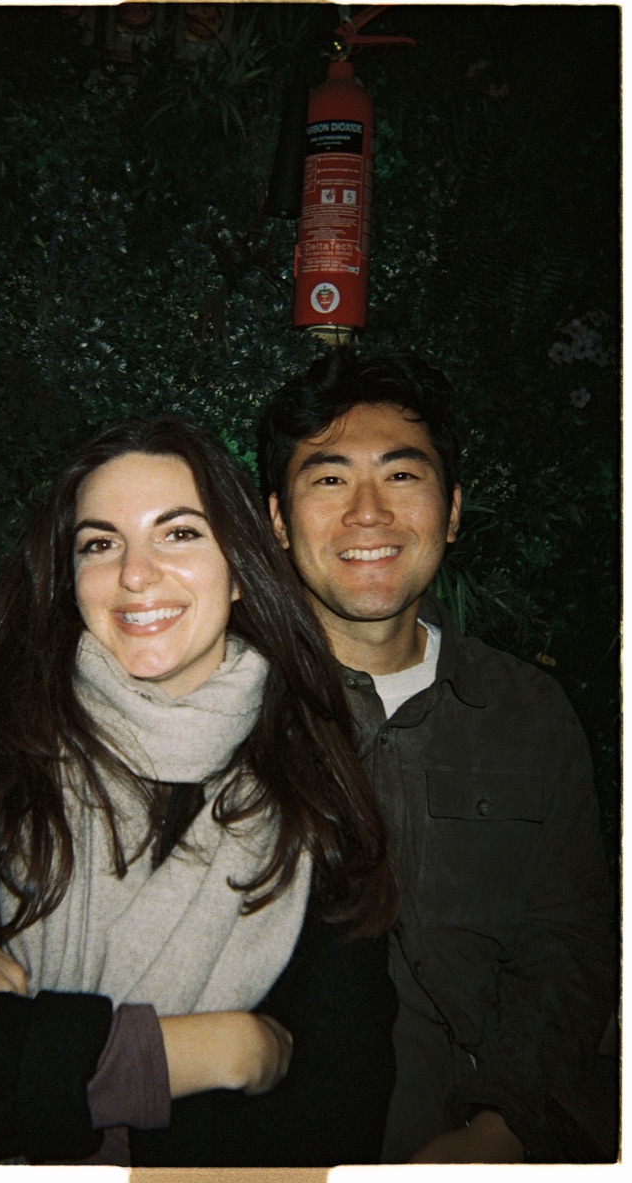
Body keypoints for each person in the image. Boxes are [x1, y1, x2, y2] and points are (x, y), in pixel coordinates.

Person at [0, 414, 398, 1167]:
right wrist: (217, 1050)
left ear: (240, 568)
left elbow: (334, 1119)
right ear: (70, 580)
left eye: (179, 533)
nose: (135, 574)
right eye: (100, 543)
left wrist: (34, 1051)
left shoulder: (313, 792)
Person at [257, 350, 615, 1164]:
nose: (369, 514)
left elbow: (570, 941)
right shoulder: (230, 708)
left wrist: (503, 1128)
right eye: (328, 480)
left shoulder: (529, 714)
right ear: (276, 521)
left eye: (402, 477)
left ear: (452, 510)